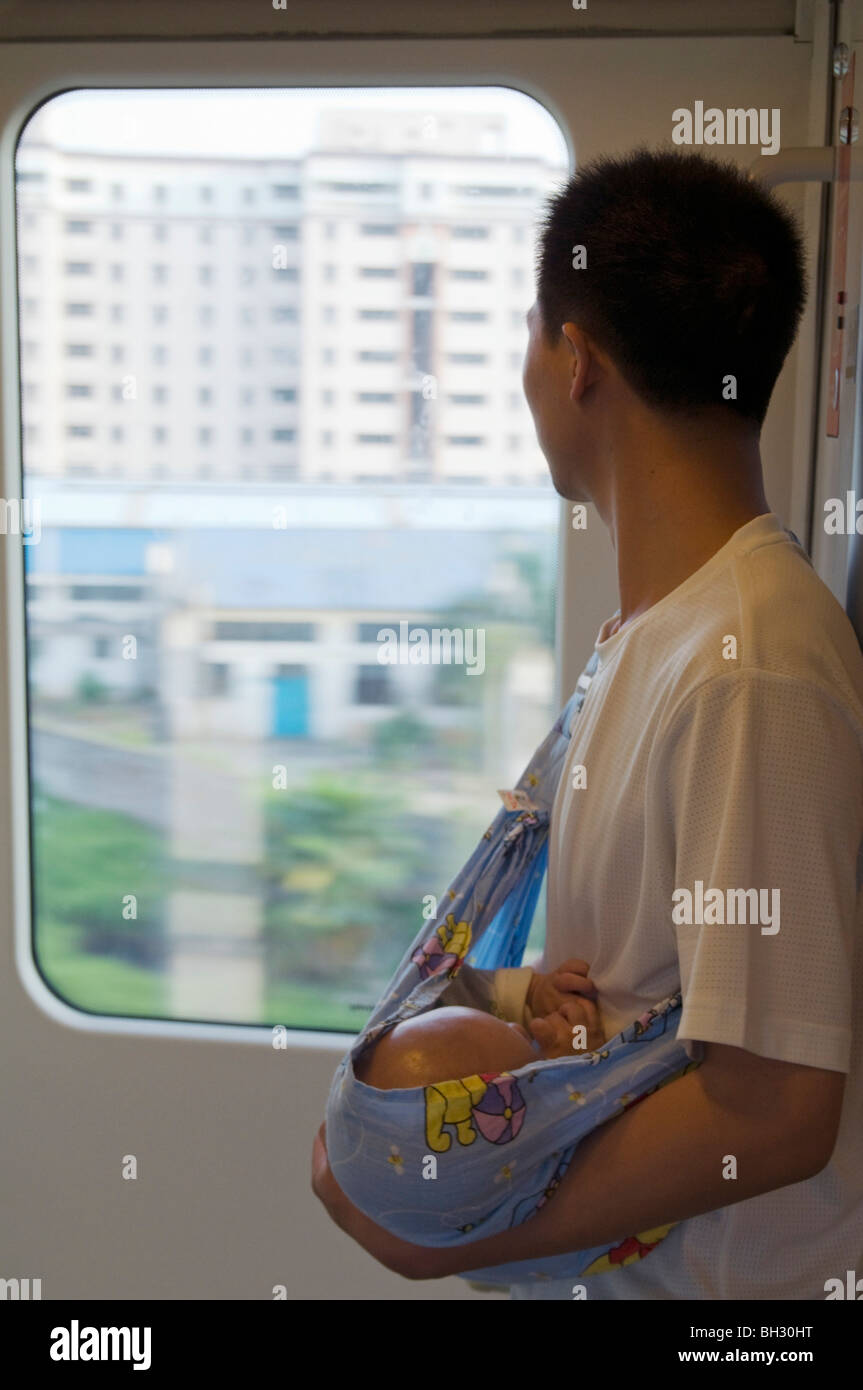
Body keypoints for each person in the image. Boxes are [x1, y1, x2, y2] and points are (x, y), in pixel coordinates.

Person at [312, 147, 863, 1300]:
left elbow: (772, 1110)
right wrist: (519, 1006)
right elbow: (646, 995)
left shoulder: (746, 660)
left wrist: (444, 1238)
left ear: (575, 360)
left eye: (529, 331)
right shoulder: (643, 641)